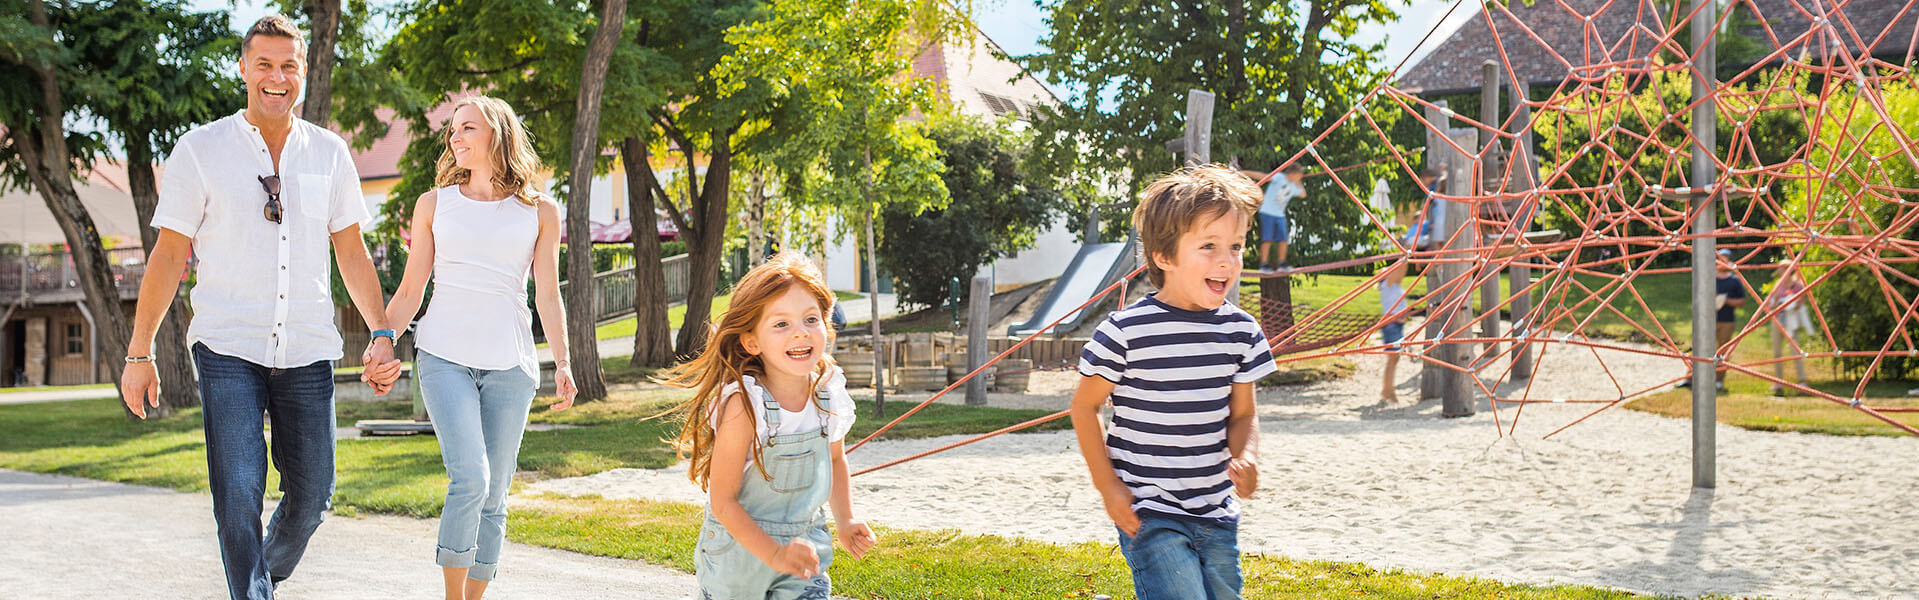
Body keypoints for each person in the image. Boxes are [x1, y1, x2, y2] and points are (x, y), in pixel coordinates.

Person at [117, 15, 403, 600]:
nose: (277, 77)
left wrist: (380, 331)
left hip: (306, 347)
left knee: (314, 495)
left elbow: (350, 250)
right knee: (238, 491)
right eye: (265, 64)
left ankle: (260, 579)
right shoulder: (200, 151)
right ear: (243, 68)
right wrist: (138, 352)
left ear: (303, 72)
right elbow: (170, 256)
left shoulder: (329, 153)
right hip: (228, 347)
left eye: (289, 66)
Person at [379, 96, 578, 600]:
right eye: (452, 130)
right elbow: (409, 291)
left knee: (494, 494)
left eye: (467, 127)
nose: (456, 137)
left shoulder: (540, 211)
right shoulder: (434, 204)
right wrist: (384, 338)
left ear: (498, 133)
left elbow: (548, 294)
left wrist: (564, 362)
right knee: (470, 477)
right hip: (444, 356)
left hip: (511, 365)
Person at [1071, 166, 1276, 600]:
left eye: (1235, 247)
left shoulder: (1242, 332)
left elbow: (1243, 414)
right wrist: (1109, 487)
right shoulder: (1124, 332)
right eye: (1209, 246)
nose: (1227, 260)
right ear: (1164, 256)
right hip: (1149, 511)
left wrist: (1247, 456)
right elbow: (1084, 408)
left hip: (1216, 510)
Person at [664, 252, 879, 599]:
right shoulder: (744, 405)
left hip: (803, 554)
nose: (800, 333)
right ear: (751, 341)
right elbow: (723, 501)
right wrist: (774, 554)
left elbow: (836, 460)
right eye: (781, 324)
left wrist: (846, 520)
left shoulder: (827, 393)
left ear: (827, 325)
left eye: (811, 319)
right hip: (738, 562)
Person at [1682, 248, 1746, 391]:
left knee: (1722, 352)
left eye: (1724, 259)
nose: (1721, 262)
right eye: (1719, 259)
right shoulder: (1709, 278)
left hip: (1726, 320)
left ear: (1729, 261)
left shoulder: (1734, 281)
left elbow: (1741, 302)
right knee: (1699, 348)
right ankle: (1689, 378)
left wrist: (1725, 301)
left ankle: (1718, 381)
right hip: (1707, 319)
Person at [1245, 164, 1305, 272]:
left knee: (1283, 239)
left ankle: (1282, 263)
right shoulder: (1279, 177)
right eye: (1299, 175)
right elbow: (1262, 176)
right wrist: (1245, 172)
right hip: (1268, 212)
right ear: (1292, 174)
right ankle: (1263, 264)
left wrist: (1298, 181)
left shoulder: (1293, 186)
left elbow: (1303, 194)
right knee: (1267, 239)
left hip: (1279, 214)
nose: (1300, 178)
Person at [1764, 265, 1812, 393]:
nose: (1780, 271)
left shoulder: (1797, 286)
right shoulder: (1778, 286)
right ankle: (1778, 382)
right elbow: (1770, 302)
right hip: (1778, 321)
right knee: (1777, 352)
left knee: (1795, 351)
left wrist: (1791, 304)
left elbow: (1802, 301)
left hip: (1791, 321)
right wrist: (1776, 304)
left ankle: (1802, 381)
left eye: (1783, 269)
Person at [1378, 261, 1412, 403]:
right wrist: (1405, 253)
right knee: (1392, 357)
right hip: (1391, 325)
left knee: (1394, 358)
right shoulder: (1387, 285)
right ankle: (1387, 390)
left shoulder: (1394, 285)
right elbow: (1402, 268)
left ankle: (1388, 389)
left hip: (1396, 325)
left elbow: (1402, 271)